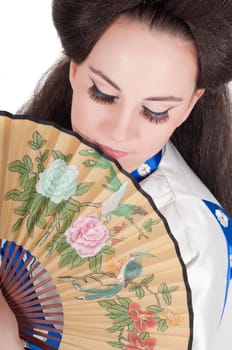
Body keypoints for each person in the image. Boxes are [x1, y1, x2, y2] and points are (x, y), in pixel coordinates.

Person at [1, 0, 232, 349]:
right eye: (103, 94)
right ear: (75, 71)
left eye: (155, 112)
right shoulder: (25, 155)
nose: (119, 132)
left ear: (189, 105)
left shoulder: (190, 242)